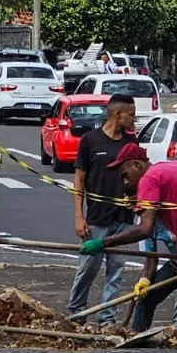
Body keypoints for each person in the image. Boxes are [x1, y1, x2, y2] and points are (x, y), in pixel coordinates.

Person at [84, 145, 177, 339]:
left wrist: (102, 243)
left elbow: (144, 228)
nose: (126, 181)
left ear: (137, 165)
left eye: (125, 175)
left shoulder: (149, 178)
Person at [68, 93, 139, 324]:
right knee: (88, 267)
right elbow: (79, 179)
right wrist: (79, 216)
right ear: (117, 114)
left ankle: (107, 319)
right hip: (97, 218)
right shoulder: (90, 141)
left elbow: (139, 176)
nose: (134, 119)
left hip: (124, 218)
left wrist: (135, 199)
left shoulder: (131, 143)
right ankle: (76, 313)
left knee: (116, 271)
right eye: (131, 115)